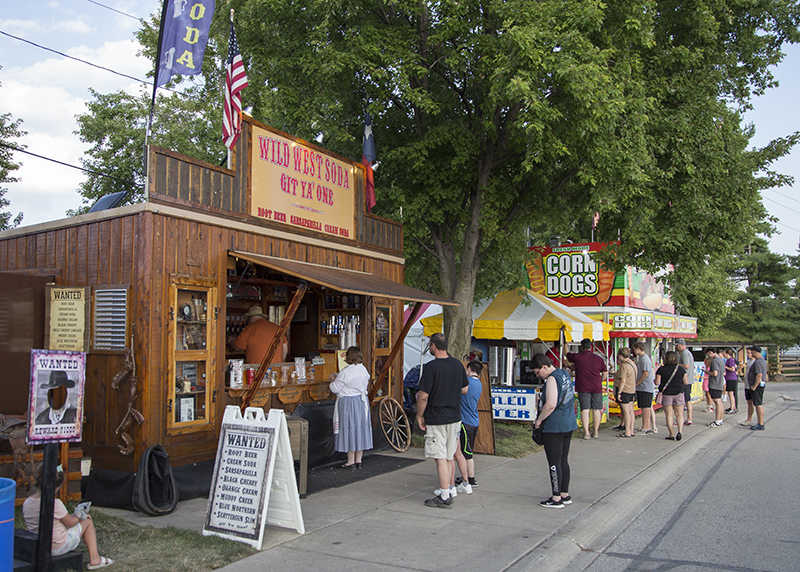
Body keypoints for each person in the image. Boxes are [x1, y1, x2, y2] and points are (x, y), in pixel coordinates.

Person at [23, 464, 114, 570]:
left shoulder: (27, 503)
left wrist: (73, 516)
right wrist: (79, 515)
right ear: (56, 487)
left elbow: (56, 520)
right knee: (87, 521)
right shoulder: (55, 503)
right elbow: (71, 522)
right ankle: (95, 559)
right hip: (57, 546)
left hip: (38, 547)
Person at [416, 333, 469, 508]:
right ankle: (449, 488)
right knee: (448, 456)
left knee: (439, 457)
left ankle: (445, 495)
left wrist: (419, 415)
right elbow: (465, 389)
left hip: (437, 417)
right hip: (455, 417)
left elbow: (423, 396)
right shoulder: (457, 365)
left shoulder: (431, 368)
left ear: (432, 345)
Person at [532, 353, 578, 508]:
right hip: (568, 422)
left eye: (538, 372)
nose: (538, 375)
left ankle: (556, 497)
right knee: (563, 460)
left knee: (554, 462)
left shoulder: (551, 379)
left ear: (544, 367)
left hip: (554, 426)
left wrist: (539, 420)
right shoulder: (564, 373)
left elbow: (551, 404)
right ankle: (565, 493)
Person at [329, 346, 373, 469]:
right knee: (360, 429)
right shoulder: (363, 369)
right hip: (361, 402)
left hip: (348, 403)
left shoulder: (345, 372)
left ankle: (350, 461)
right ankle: (359, 460)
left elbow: (335, 388)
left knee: (349, 429)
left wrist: (333, 379)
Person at [566, 338, 607, 440]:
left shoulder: (578, 357)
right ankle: (596, 431)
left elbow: (566, 353)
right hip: (596, 387)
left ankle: (586, 432)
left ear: (581, 347)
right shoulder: (599, 359)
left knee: (585, 409)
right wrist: (600, 381)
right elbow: (605, 373)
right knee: (597, 409)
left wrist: (565, 342)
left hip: (583, 387)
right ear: (591, 347)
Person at [452, 360, 483, 494]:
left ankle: (471, 479)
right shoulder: (479, 384)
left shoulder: (467, 384)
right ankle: (469, 477)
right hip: (474, 420)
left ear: (469, 369)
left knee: (466, 453)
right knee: (467, 450)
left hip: (465, 421)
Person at [654, 351, 688, 441]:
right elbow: (686, 382)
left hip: (667, 394)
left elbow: (657, 382)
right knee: (679, 414)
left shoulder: (661, 369)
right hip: (679, 393)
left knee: (669, 415)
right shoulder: (680, 369)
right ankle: (680, 431)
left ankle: (671, 434)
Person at [632, 342, 656, 434]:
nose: (634, 351)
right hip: (643, 387)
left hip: (645, 387)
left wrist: (637, 383)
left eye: (634, 349)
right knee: (643, 407)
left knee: (646, 407)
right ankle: (644, 425)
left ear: (638, 348)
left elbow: (645, 373)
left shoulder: (644, 359)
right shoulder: (642, 358)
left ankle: (646, 426)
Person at [614, 348, 637, 438]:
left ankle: (627, 431)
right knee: (631, 411)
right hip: (632, 389)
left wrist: (619, 392)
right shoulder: (632, 364)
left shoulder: (624, 366)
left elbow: (623, 380)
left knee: (626, 412)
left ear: (620, 356)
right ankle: (631, 430)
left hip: (625, 390)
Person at [746, 346, 768, 430]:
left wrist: (754, 386)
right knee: (757, 404)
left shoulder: (758, 362)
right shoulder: (762, 361)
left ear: (755, 352)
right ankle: (760, 422)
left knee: (758, 404)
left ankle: (760, 423)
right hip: (760, 385)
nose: (751, 354)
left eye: (752, 352)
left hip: (757, 386)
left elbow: (759, 375)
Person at [675, 339, 695, 426]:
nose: (676, 347)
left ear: (683, 345)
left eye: (678, 345)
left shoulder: (684, 353)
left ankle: (683, 418)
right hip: (689, 379)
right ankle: (688, 418)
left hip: (685, 380)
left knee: (683, 400)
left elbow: (686, 366)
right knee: (687, 399)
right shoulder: (687, 353)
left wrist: (676, 365)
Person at [705, 347, 726, 427]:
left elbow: (715, 373)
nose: (708, 357)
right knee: (719, 401)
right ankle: (720, 419)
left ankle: (717, 420)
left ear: (711, 352)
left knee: (716, 402)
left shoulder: (714, 361)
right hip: (720, 383)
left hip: (714, 384)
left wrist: (707, 372)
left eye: (708, 355)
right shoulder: (721, 360)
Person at [740, 349, 757, 426]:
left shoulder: (755, 362)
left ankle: (759, 420)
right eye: (747, 353)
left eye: (749, 353)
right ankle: (749, 419)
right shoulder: (749, 362)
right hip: (747, 385)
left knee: (756, 403)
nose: (747, 354)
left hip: (752, 385)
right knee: (749, 403)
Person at [723, 348, 739, 414]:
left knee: (731, 393)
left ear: (727, 354)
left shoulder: (730, 360)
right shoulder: (728, 360)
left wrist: (725, 367)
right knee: (730, 393)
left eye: (724, 353)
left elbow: (732, 369)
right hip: (729, 378)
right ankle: (732, 406)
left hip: (731, 378)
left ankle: (733, 407)